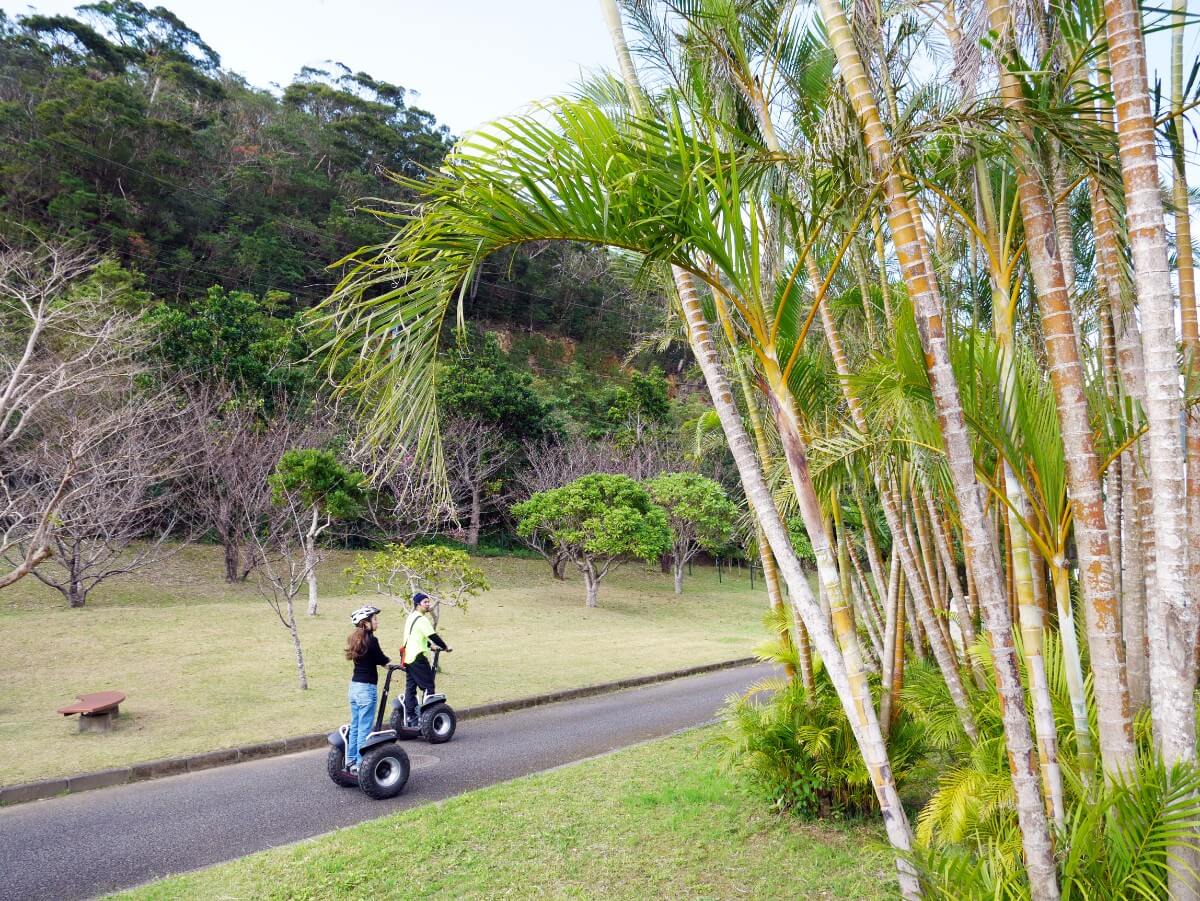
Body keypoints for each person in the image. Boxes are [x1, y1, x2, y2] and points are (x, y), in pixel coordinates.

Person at [344, 605, 389, 773]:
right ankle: (362, 765)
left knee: (355, 726)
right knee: (364, 728)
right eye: (374, 619)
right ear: (365, 623)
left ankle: (351, 761)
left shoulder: (355, 639)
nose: (377, 621)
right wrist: (392, 664)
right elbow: (381, 659)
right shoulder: (371, 640)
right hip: (366, 689)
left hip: (354, 687)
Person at [401, 592, 450, 728]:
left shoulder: (411, 617)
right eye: (425, 602)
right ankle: (427, 717)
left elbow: (416, 637)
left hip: (408, 657)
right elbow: (432, 635)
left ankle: (410, 716)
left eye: (428, 602)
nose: (428, 604)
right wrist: (445, 647)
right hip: (418, 657)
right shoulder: (422, 619)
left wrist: (430, 646)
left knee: (410, 688)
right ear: (418, 604)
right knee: (428, 686)